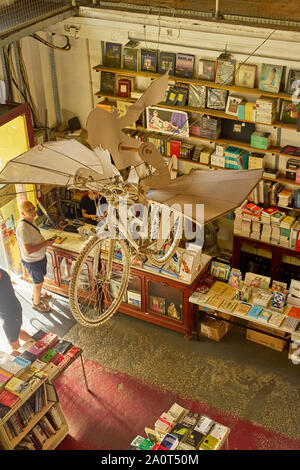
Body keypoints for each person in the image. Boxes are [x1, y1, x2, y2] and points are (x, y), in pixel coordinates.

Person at [16, 200, 55, 313]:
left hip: (39, 259)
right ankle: (36, 303)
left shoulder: (31, 221)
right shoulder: (23, 228)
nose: (33, 211)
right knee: (38, 283)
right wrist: (45, 243)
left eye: (33, 208)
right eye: (29, 210)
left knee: (39, 280)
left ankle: (37, 295)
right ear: (23, 213)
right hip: (33, 262)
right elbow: (28, 250)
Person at [0, 268, 32, 350]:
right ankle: (38, 345)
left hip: (10, 314)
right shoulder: (2, 272)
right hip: (12, 311)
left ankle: (23, 359)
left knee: (14, 344)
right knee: (16, 332)